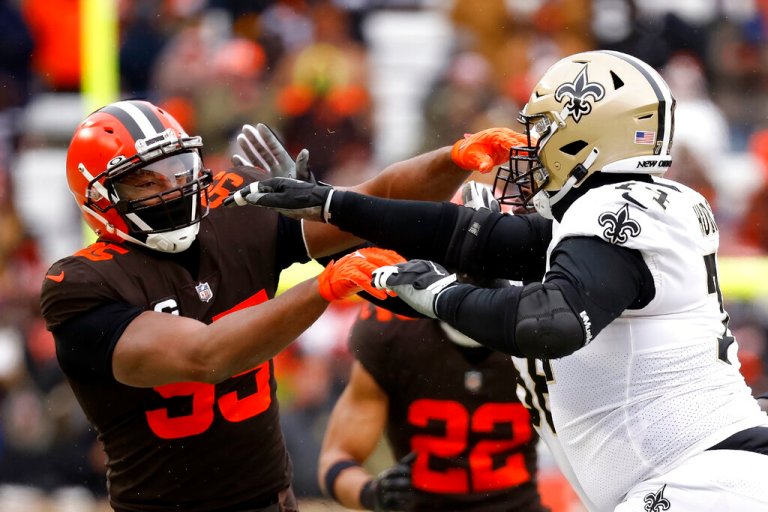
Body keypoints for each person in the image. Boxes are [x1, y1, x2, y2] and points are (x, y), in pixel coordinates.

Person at [229, 50, 768, 511]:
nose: (530, 148)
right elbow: (461, 236)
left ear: (586, 138)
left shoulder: (623, 210)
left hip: (700, 480)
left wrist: (441, 295)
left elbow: (549, 323)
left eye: (543, 131)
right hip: (690, 479)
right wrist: (330, 206)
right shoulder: (603, 227)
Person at [39, 99, 475, 512]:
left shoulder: (235, 208)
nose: (172, 188)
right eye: (146, 181)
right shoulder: (80, 285)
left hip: (271, 500)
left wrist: (460, 156)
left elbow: (378, 199)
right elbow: (206, 356)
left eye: (176, 169)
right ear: (100, 198)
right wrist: (325, 286)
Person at [317, 184, 547, 512]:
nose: (479, 271)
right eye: (468, 253)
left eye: (495, 255)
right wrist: (373, 493)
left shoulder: (549, 325)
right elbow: (336, 459)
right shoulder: (392, 331)